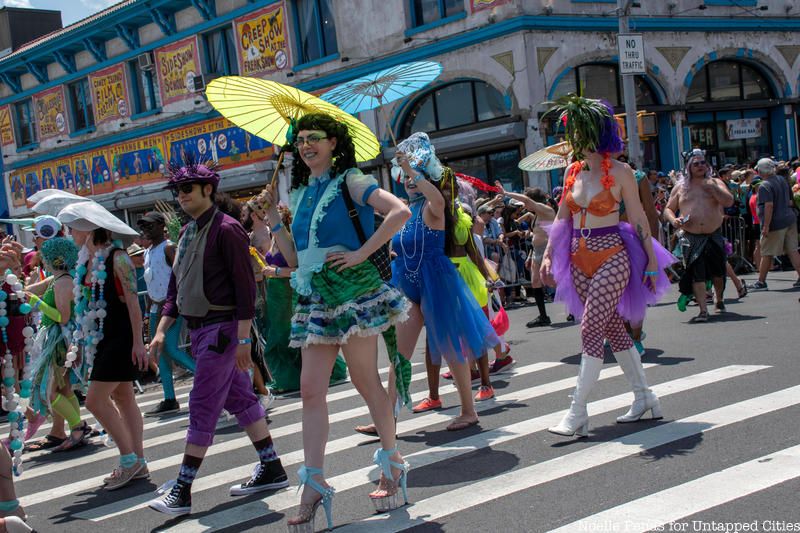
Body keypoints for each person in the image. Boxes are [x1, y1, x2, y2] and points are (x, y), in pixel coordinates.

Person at [256, 113, 411, 530]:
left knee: (366, 382)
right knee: (309, 391)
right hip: (312, 296)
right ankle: (314, 484)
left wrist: (361, 253)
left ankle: (393, 462)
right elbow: (294, 259)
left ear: (334, 143)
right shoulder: (303, 192)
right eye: (300, 139)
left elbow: (399, 211)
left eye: (315, 138)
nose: (306, 145)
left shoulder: (352, 181)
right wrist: (272, 219)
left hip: (350, 293)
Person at [147, 158, 288, 516]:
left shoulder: (227, 229)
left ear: (208, 190)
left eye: (187, 189)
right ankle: (271, 467)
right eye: (177, 191)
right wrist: (161, 331)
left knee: (202, 404)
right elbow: (177, 287)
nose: (181, 196)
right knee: (240, 400)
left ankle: (183, 488)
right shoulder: (187, 232)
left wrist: (243, 341)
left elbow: (245, 289)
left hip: (223, 331)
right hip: (199, 331)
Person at [540, 95, 674, 438]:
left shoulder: (621, 172)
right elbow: (561, 216)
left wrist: (650, 259)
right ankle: (645, 397)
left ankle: (577, 411)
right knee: (613, 330)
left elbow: (640, 217)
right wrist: (545, 255)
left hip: (612, 254)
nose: (575, 143)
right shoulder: (572, 172)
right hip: (576, 257)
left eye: (581, 136)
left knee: (590, 329)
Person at [382, 132, 500, 432]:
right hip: (407, 286)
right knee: (399, 357)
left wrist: (411, 168)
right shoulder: (403, 212)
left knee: (450, 349)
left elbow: (436, 197)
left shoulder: (435, 206)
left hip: (437, 282)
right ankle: (386, 419)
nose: (409, 182)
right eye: (405, 178)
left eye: (416, 178)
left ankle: (468, 410)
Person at [57, 200, 149, 490]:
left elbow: (134, 304)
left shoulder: (117, 257)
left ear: (87, 228)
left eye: (73, 227)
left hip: (120, 339)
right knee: (123, 398)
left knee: (96, 401)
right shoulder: (86, 260)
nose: (70, 233)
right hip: (101, 339)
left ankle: (128, 459)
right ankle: (139, 462)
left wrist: (139, 342)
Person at [25, 237, 93, 452]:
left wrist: (38, 304)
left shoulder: (63, 281)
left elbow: (62, 317)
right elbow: (35, 288)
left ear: (54, 259)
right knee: (63, 389)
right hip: (59, 339)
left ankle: (77, 426)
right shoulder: (60, 278)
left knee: (50, 391)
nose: (42, 260)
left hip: (60, 341)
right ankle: (79, 427)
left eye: (44, 257)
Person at [663, 150, 734, 322]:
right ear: (689, 167)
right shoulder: (681, 187)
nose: (700, 166)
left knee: (718, 273)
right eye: (696, 164)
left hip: (713, 234)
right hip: (691, 236)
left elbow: (729, 201)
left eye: (703, 163)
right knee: (697, 273)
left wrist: (714, 189)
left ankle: (720, 298)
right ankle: (703, 310)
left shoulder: (715, 182)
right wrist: (674, 220)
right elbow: (668, 209)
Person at [137, 212, 196, 415]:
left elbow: (182, 275)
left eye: (149, 225)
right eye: (143, 226)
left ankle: (207, 377)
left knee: (170, 348)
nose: (146, 229)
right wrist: (147, 311)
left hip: (171, 307)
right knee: (161, 352)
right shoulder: (147, 252)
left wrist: (176, 302)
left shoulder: (169, 248)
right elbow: (150, 283)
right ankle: (169, 398)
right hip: (155, 309)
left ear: (161, 225)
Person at [503, 187, 556, 327]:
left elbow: (526, 200)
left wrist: (506, 193)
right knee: (535, 283)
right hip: (537, 251)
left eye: (527, 202)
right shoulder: (536, 214)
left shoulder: (546, 210)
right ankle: (543, 316)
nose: (524, 206)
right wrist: (530, 255)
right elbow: (536, 235)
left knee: (556, 281)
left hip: (548, 251)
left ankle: (576, 309)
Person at [750, 158, 800, 290]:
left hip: (775, 223)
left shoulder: (765, 185)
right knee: (793, 250)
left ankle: (761, 282)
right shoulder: (782, 180)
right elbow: (790, 201)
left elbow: (769, 206)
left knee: (766, 252)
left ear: (760, 171)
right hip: (790, 219)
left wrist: (765, 226)